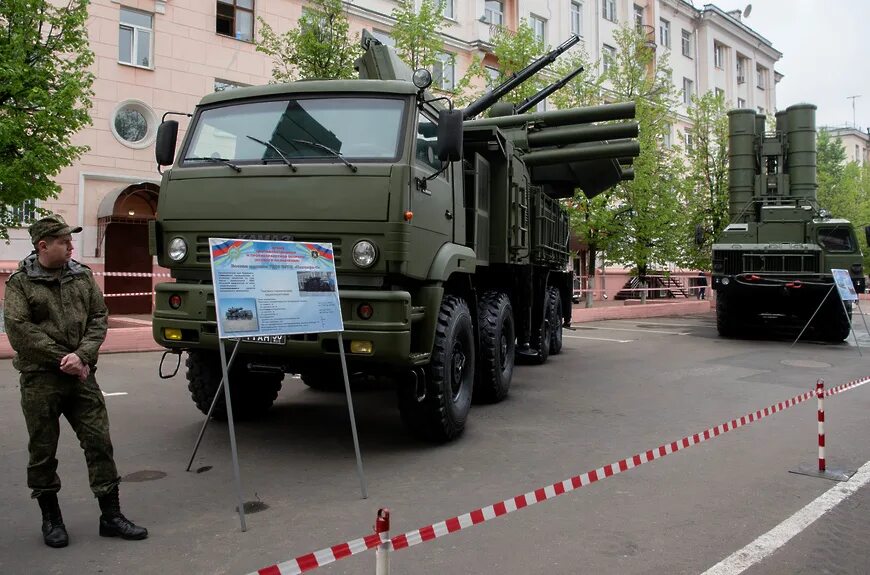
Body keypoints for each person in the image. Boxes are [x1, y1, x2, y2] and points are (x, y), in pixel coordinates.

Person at [4, 214, 147, 548]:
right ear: (43, 245)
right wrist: (61, 359)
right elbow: (19, 330)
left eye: (71, 240)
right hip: (41, 380)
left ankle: (111, 516)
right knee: (43, 451)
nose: (71, 246)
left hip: (81, 376)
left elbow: (99, 316)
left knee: (99, 443)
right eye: (63, 241)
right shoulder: (21, 283)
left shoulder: (81, 275)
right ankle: (51, 519)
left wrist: (81, 356)